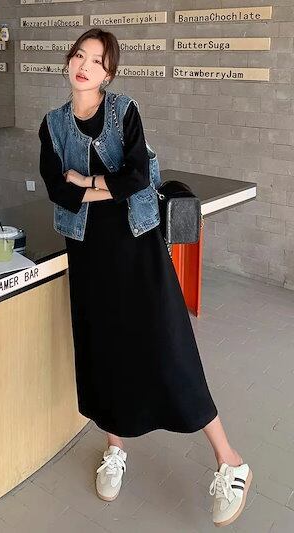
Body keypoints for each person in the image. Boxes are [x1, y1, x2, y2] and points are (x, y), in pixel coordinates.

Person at [38, 28, 252, 528]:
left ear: (108, 74)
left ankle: (230, 460)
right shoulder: (52, 125)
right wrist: (98, 188)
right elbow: (56, 189)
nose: (84, 66)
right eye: (79, 55)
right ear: (68, 62)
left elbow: (137, 177)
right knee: (104, 348)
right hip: (89, 252)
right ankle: (115, 448)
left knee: (167, 343)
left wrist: (86, 182)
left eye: (97, 61)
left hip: (137, 245)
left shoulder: (124, 112)